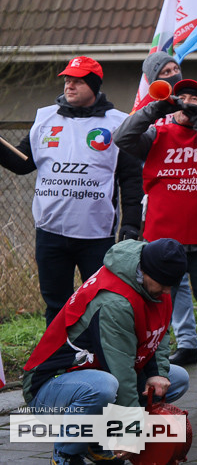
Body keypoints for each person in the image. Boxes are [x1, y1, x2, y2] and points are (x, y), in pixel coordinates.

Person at [113, 78, 197, 410]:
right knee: (154, 316)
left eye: (193, 98)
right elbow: (122, 137)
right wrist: (157, 107)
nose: (185, 102)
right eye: (180, 97)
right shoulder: (158, 134)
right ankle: (149, 381)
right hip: (160, 246)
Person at [0, 56, 143, 324]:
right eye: (67, 80)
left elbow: (132, 179)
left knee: (100, 303)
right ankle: (59, 360)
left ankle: (96, 359)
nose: (69, 85)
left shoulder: (118, 123)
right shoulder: (45, 118)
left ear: (93, 85)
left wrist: (132, 223)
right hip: (50, 232)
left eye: (77, 81)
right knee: (56, 304)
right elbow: (21, 164)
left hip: (96, 234)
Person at [22, 238, 190, 465]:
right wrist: (129, 433)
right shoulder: (115, 302)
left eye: (172, 283)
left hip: (98, 371)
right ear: (146, 271)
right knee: (103, 388)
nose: (167, 290)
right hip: (49, 386)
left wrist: (157, 372)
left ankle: (96, 437)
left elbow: (159, 331)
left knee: (176, 378)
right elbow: (121, 373)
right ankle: (66, 453)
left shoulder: (155, 286)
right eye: (163, 283)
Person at [136, 51, 197, 367]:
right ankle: (164, 346)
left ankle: (189, 341)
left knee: (187, 282)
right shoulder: (150, 113)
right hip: (159, 208)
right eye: (166, 71)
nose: (174, 74)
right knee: (168, 280)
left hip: (195, 209)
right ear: (153, 80)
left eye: (177, 68)